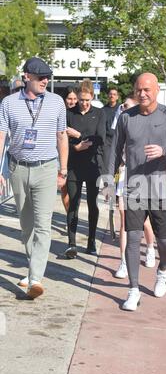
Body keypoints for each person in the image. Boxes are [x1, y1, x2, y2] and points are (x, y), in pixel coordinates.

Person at [108, 73, 166, 311]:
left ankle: (163, 269)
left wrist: (164, 151)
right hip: (133, 188)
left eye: (147, 90)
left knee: (164, 241)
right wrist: (108, 182)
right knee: (132, 238)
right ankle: (133, 289)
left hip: (161, 188)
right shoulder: (126, 117)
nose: (142, 94)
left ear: (157, 90)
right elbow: (114, 150)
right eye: (138, 90)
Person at [0, 56, 68, 299]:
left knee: (42, 224)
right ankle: (32, 268)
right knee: (26, 225)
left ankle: (36, 278)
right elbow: (1, 137)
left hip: (47, 168)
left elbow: (62, 137)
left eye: (47, 77)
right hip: (18, 168)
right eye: (40, 77)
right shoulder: (8, 103)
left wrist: (64, 170)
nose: (45, 81)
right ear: (26, 77)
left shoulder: (57, 102)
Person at [114, 94, 156, 279]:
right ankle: (123, 261)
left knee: (143, 220)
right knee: (124, 220)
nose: (124, 109)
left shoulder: (144, 126)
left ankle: (150, 247)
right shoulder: (120, 126)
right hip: (123, 174)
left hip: (141, 176)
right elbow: (113, 153)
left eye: (128, 106)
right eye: (123, 106)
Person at [64, 79, 106, 258]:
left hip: (91, 165)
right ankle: (71, 244)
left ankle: (91, 242)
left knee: (92, 204)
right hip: (73, 164)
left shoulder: (99, 113)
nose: (84, 103)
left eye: (87, 100)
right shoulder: (69, 113)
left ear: (92, 97)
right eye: (81, 100)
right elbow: (62, 136)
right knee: (73, 203)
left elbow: (100, 138)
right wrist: (75, 147)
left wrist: (80, 136)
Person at [61, 86, 79, 212]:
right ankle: (69, 214)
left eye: (74, 98)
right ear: (64, 99)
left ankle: (73, 215)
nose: (72, 101)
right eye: (69, 98)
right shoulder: (60, 112)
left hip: (77, 155)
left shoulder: (80, 113)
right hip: (62, 156)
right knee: (64, 188)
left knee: (75, 191)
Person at [101, 87, 121, 172]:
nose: (112, 96)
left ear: (117, 97)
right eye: (110, 94)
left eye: (114, 94)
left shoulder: (121, 109)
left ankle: (117, 183)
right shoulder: (102, 110)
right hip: (107, 141)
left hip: (120, 139)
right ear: (108, 96)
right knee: (107, 164)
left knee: (119, 164)